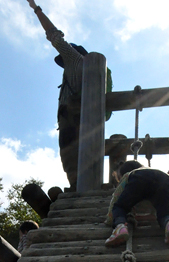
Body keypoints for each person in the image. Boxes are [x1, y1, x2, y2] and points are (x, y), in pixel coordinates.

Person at [26, 1, 112, 192]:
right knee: (88, 154)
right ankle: (87, 185)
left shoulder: (74, 59)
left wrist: (36, 9)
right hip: (91, 121)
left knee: (69, 155)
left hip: (72, 119)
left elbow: (54, 36)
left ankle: (76, 188)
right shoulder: (94, 72)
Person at [105, 161, 169, 247]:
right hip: (165, 178)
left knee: (120, 207)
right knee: (165, 214)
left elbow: (116, 198)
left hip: (139, 179)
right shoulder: (155, 171)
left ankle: (120, 227)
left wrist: (111, 218)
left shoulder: (131, 174)